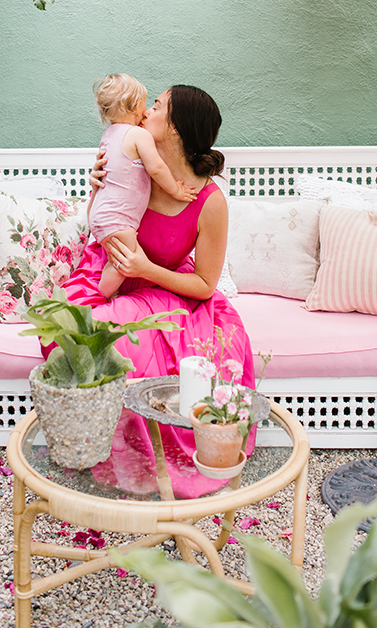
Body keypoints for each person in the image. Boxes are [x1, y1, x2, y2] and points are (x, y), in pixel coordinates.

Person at [55, 84, 256, 499]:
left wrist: (146, 269)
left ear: (177, 129)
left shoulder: (209, 201)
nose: (146, 111)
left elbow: (204, 285)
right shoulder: (134, 163)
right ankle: (100, 448)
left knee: (135, 342)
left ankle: (151, 465)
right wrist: (94, 185)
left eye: (158, 106)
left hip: (167, 284)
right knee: (80, 331)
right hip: (111, 271)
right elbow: (101, 216)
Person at [90, 74, 196, 299]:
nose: (146, 111)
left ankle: (110, 294)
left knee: (117, 262)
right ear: (134, 105)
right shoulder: (138, 134)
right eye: (146, 104)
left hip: (101, 216)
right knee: (126, 263)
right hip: (117, 220)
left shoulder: (109, 134)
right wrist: (176, 190)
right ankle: (99, 299)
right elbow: (156, 168)